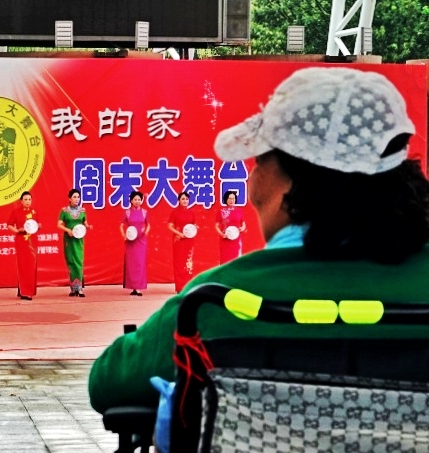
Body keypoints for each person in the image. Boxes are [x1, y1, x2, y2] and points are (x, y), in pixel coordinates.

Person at [89, 67, 429, 413]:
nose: (251, 180)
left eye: (260, 161)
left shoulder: (215, 300)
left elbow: (109, 381)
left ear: (290, 178)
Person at [57, 188, 93, 297]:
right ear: (69, 198)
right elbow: (59, 224)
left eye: (78, 197)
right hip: (69, 240)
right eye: (74, 197)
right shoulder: (64, 211)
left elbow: (85, 223)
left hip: (79, 239)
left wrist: (88, 226)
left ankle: (80, 289)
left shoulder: (82, 211)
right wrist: (68, 230)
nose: (77, 199)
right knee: (71, 262)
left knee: (79, 262)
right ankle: (73, 289)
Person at [6, 191, 39, 300]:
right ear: (21, 201)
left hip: (32, 241)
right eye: (25, 199)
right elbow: (9, 225)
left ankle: (26, 290)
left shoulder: (34, 212)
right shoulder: (16, 212)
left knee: (31, 266)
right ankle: (25, 292)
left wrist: (38, 226)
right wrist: (17, 230)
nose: (28, 201)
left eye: (29, 199)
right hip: (21, 241)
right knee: (23, 266)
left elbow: (39, 224)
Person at [166, 191, 197, 293]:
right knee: (179, 263)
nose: (185, 201)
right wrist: (178, 233)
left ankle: (188, 286)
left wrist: (195, 228)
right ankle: (180, 287)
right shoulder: (175, 212)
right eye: (183, 199)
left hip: (189, 240)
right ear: (179, 200)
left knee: (188, 263)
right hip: (179, 240)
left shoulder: (191, 212)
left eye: (186, 199)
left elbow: (194, 225)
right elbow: (169, 226)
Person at [121, 191, 150, 296]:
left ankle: (138, 287)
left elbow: (148, 224)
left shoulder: (144, 212)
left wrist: (145, 233)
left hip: (141, 241)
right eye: (135, 199)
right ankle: (133, 287)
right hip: (131, 240)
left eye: (139, 199)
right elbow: (121, 225)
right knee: (131, 264)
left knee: (140, 263)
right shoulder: (127, 212)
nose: (137, 201)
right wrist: (124, 236)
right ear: (131, 201)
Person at [215, 189, 246, 264]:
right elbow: (216, 226)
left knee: (236, 260)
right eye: (230, 198)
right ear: (226, 199)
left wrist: (242, 228)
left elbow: (243, 223)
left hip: (236, 240)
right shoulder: (221, 211)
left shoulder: (239, 211)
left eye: (233, 198)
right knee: (225, 260)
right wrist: (222, 234)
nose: (231, 200)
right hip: (225, 239)